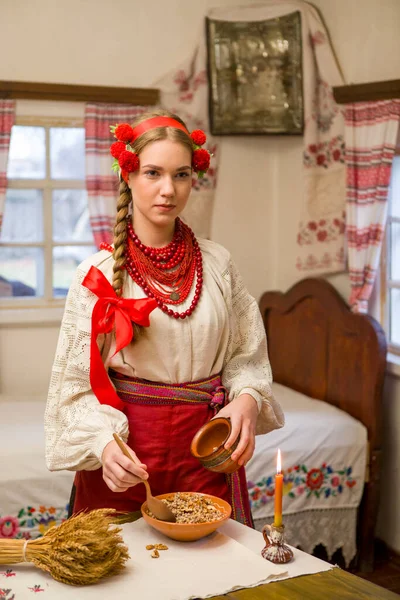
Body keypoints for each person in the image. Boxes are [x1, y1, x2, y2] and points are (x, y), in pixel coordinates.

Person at [44, 110, 284, 526]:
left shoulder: (218, 263)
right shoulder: (97, 275)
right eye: (153, 173)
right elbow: (73, 387)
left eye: (182, 175)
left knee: (212, 576)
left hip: (206, 452)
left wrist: (247, 398)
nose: (168, 190)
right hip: (126, 456)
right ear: (128, 175)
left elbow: (246, 357)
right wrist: (102, 444)